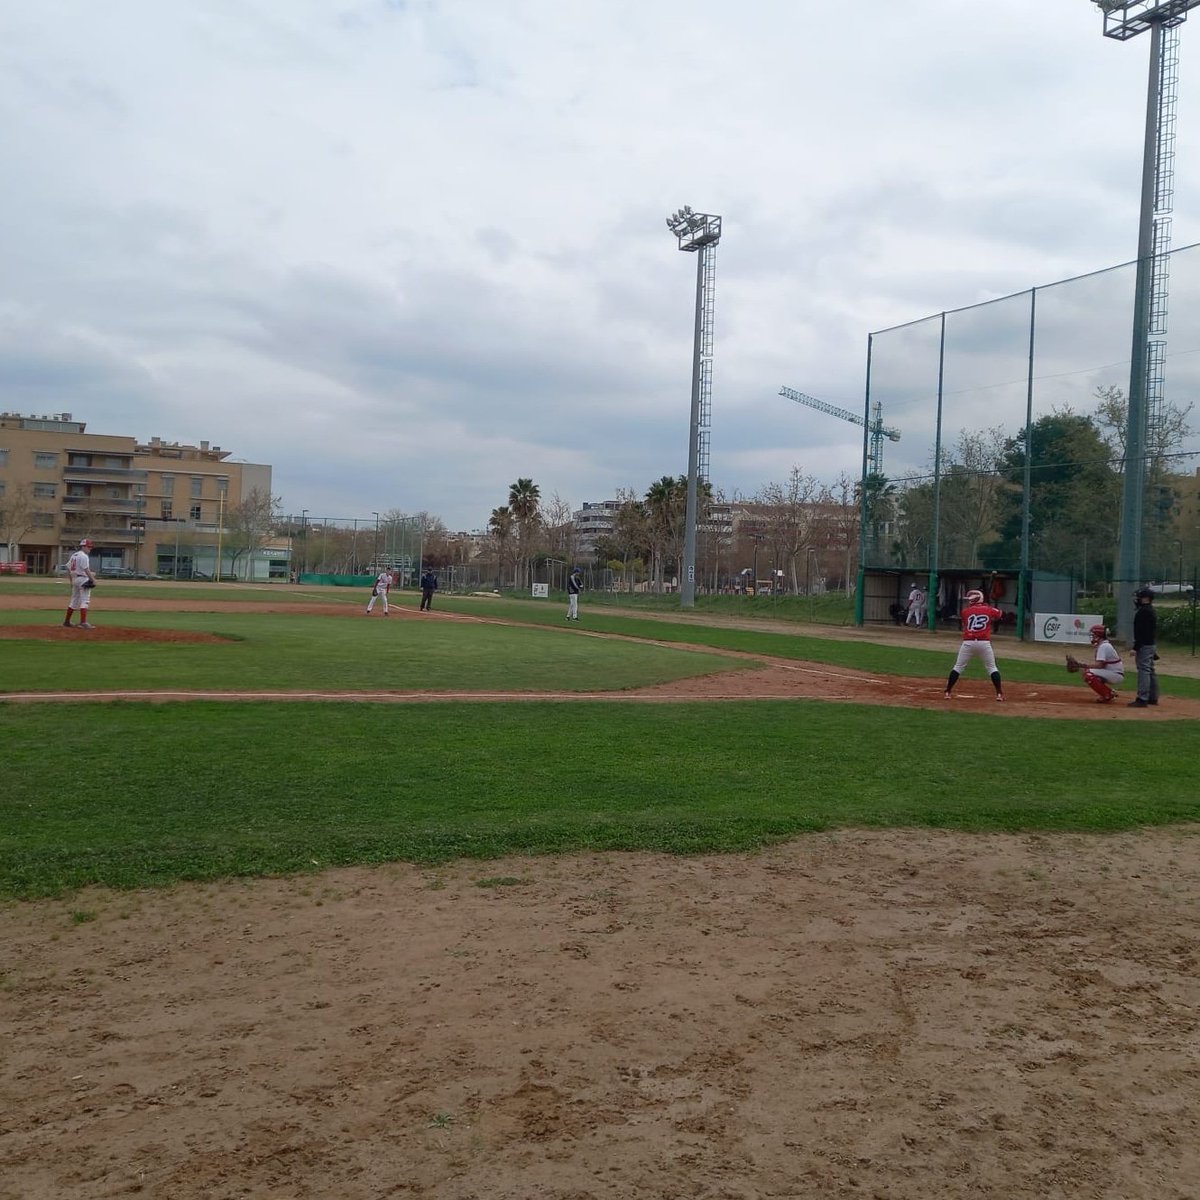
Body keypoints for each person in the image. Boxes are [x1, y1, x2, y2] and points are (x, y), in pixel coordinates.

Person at [943, 588, 1005, 702]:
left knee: (958, 667)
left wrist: (985, 608)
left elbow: (973, 615)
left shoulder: (965, 611)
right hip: (984, 643)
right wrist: (988, 608)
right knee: (992, 668)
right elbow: (1000, 614)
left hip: (968, 643)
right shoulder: (988, 609)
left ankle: (947, 691)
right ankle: (999, 693)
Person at [1078, 623, 1124, 704]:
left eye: (1094, 634)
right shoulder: (1103, 645)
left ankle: (1107, 694)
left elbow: (1099, 665)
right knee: (1088, 672)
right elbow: (1101, 665)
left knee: (1088, 673)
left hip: (1115, 674)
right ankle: (1109, 692)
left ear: (1099, 635)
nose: (1092, 637)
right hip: (1113, 673)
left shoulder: (1104, 646)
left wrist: (1082, 665)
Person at [1130, 586, 1159, 707]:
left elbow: (1141, 632)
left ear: (1146, 598)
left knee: (1144, 670)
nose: (1138, 598)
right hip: (1150, 644)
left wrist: (1135, 647)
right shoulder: (1150, 610)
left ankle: (1142, 698)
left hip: (1144, 645)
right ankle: (1152, 697)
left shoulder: (1144, 612)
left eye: (1140, 596)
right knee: (1150, 670)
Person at [63, 538, 97, 629]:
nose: (90, 549)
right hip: (82, 579)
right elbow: (86, 570)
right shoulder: (84, 556)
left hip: (75, 579)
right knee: (85, 600)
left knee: (74, 601)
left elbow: (68, 568)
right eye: (89, 547)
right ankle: (83, 622)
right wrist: (93, 579)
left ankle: (67, 621)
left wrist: (71, 582)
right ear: (84, 546)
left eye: (91, 547)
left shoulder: (74, 555)